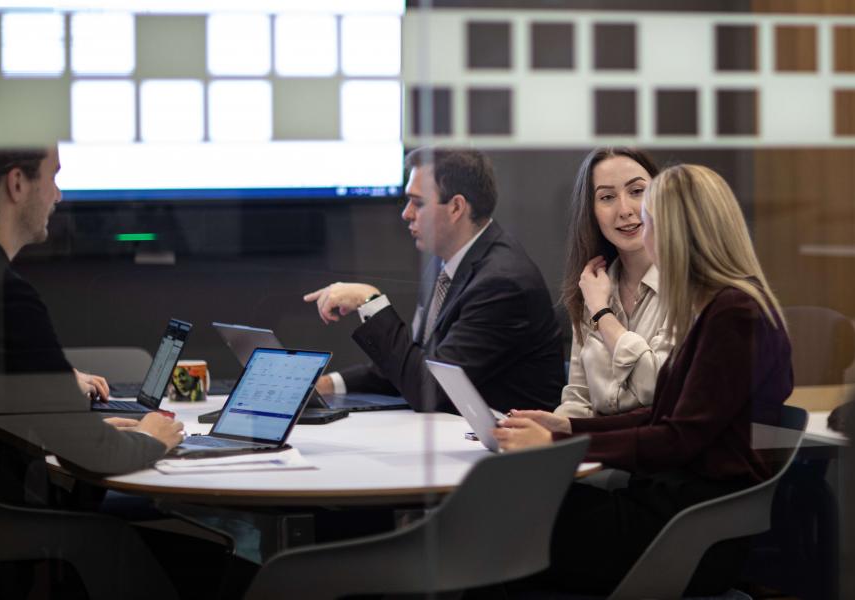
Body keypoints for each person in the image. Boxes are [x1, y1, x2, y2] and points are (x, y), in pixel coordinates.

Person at [493, 164, 793, 595]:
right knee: (512, 515)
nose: (642, 231)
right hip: (672, 509)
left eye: (649, 220)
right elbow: (663, 416)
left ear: (677, 233)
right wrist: (567, 427)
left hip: (689, 529)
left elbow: (675, 438)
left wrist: (557, 444)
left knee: (506, 529)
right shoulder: (721, 308)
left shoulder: (734, 314)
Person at [0, 100, 183, 501]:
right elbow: (94, 457)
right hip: (6, 524)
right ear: (17, 184)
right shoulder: (3, 295)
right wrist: (152, 437)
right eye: (53, 176)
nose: (58, 195)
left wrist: (76, 429)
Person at [303, 147, 564, 413]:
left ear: (456, 207)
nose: (406, 213)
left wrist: (370, 302)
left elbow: (430, 389)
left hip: (504, 436)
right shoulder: (446, 265)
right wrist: (328, 384)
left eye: (418, 203)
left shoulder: (502, 283)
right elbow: (413, 364)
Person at [558, 147, 672, 418]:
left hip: (654, 443)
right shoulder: (592, 285)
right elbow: (578, 399)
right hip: (597, 443)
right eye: (607, 197)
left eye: (637, 191)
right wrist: (545, 430)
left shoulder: (687, 285)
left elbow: (658, 388)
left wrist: (602, 312)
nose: (625, 210)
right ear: (591, 212)